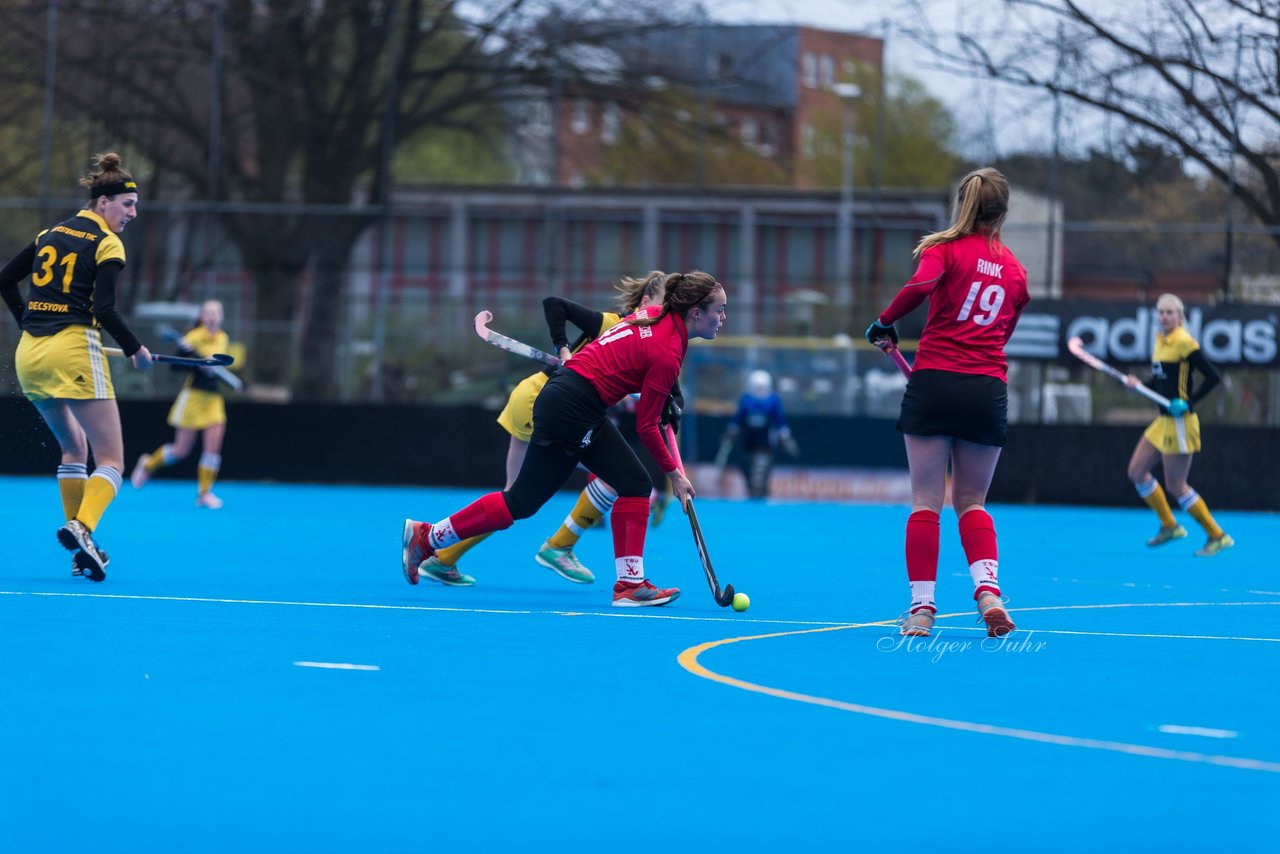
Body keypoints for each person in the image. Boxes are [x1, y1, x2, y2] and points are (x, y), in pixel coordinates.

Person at [402, 271, 727, 607]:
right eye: (719, 310)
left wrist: (669, 399)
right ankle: (429, 538)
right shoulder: (668, 350)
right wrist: (674, 473)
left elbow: (640, 359)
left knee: (591, 490)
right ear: (696, 312)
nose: (723, 318)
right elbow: (647, 425)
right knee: (548, 497)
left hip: (572, 399)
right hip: (574, 406)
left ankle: (428, 537)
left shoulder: (656, 317)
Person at [865, 167, 1028, 639]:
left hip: (935, 382)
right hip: (986, 390)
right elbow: (1002, 335)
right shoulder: (1017, 272)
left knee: (926, 502)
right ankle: (989, 591)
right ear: (1003, 212)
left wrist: (883, 322)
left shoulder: (943, 250)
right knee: (973, 502)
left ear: (963, 205)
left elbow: (918, 288)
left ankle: (921, 609)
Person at [0, 152, 153, 581]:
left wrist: (30, 322)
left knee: (73, 449)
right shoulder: (107, 242)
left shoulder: (49, 233)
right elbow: (104, 308)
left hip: (29, 353)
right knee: (112, 460)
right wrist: (135, 348)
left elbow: (4, 280)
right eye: (127, 204)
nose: (132, 213)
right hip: (72, 350)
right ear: (103, 202)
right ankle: (82, 527)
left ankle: (79, 548)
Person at [1124, 293, 1232, 556]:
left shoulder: (1184, 342)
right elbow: (1161, 381)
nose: (1164, 317)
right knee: (1137, 472)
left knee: (1176, 485)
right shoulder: (1161, 341)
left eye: (1169, 313)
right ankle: (1169, 525)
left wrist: (1188, 402)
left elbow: (1212, 377)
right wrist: (1139, 385)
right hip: (1162, 421)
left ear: (1180, 316)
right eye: (1160, 312)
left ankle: (1217, 535)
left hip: (1181, 422)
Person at [130, 300, 237, 508]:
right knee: (181, 451)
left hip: (213, 398)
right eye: (209, 312)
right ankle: (148, 464)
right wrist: (191, 357)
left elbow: (214, 364)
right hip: (193, 397)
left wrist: (207, 363)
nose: (213, 316)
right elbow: (175, 367)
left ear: (222, 317)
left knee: (213, 448)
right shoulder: (192, 337)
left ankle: (204, 493)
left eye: (217, 312)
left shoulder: (223, 337)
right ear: (202, 316)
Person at [719, 369, 799, 498]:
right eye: (757, 388)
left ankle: (761, 492)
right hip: (748, 443)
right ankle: (753, 492)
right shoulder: (746, 400)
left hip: (765, 445)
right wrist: (732, 431)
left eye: (762, 388)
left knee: (761, 472)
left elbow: (779, 420)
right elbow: (738, 418)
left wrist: (785, 436)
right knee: (748, 471)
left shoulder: (773, 401)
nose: (760, 391)